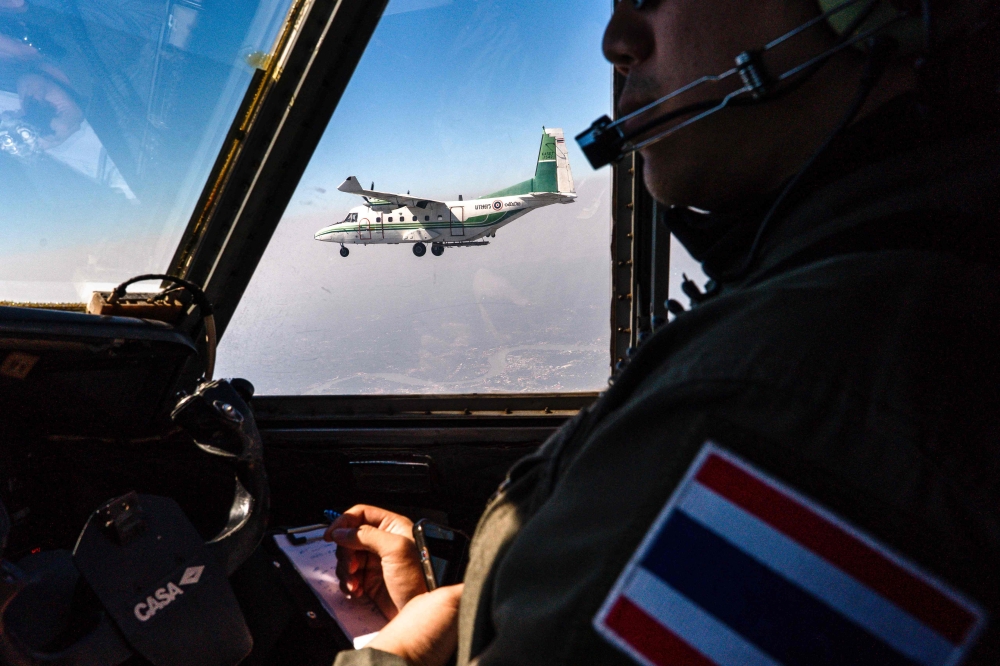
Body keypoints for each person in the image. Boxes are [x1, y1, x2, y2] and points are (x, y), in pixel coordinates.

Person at [328, 0, 1000, 664]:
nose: (615, 40)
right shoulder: (885, 301)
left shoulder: (780, 401)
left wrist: (397, 655)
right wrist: (477, 614)